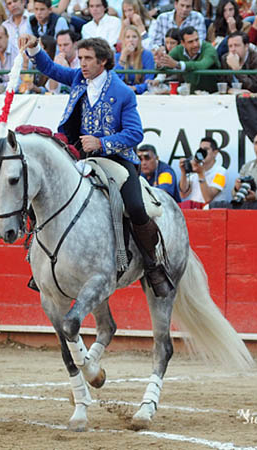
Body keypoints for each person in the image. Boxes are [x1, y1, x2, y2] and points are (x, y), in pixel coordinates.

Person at [21, 33, 173, 297]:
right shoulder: (79, 78)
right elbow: (50, 69)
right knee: (44, 190)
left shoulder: (122, 92)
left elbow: (135, 133)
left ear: (103, 61)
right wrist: (34, 48)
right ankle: (41, 259)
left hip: (116, 158)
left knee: (136, 207)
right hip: (79, 154)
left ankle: (153, 265)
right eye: (80, 58)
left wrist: (102, 143)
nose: (82, 63)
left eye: (88, 59)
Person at [155, 26, 220, 93]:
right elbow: (165, 64)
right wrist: (160, 64)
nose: (195, 44)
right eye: (190, 42)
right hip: (191, 93)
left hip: (214, 93)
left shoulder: (209, 48)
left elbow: (202, 65)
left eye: (197, 40)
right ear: (182, 43)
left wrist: (178, 65)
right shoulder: (178, 49)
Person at [178, 137, 227, 205]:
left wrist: (200, 174)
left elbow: (208, 198)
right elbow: (183, 194)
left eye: (206, 149)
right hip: (194, 209)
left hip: (211, 210)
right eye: (201, 149)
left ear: (215, 153)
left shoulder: (221, 173)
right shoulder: (196, 168)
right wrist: (183, 172)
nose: (202, 152)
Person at [115, 25, 155, 94]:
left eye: (134, 37)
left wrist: (135, 88)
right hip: (122, 93)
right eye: (128, 37)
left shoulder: (147, 55)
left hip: (142, 93)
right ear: (124, 40)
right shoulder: (117, 56)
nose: (131, 40)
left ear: (139, 39)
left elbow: (149, 80)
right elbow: (115, 79)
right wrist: (123, 56)